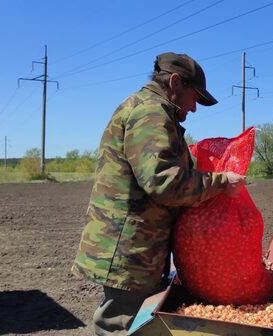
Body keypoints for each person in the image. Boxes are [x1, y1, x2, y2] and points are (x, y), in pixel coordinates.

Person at [71, 52, 245, 335]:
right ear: (175, 82)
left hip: (136, 248)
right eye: (195, 98)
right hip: (130, 250)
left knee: (132, 323)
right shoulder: (151, 113)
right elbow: (165, 183)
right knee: (121, 326)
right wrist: (221, 181)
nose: (194, 108)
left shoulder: (146, 108)